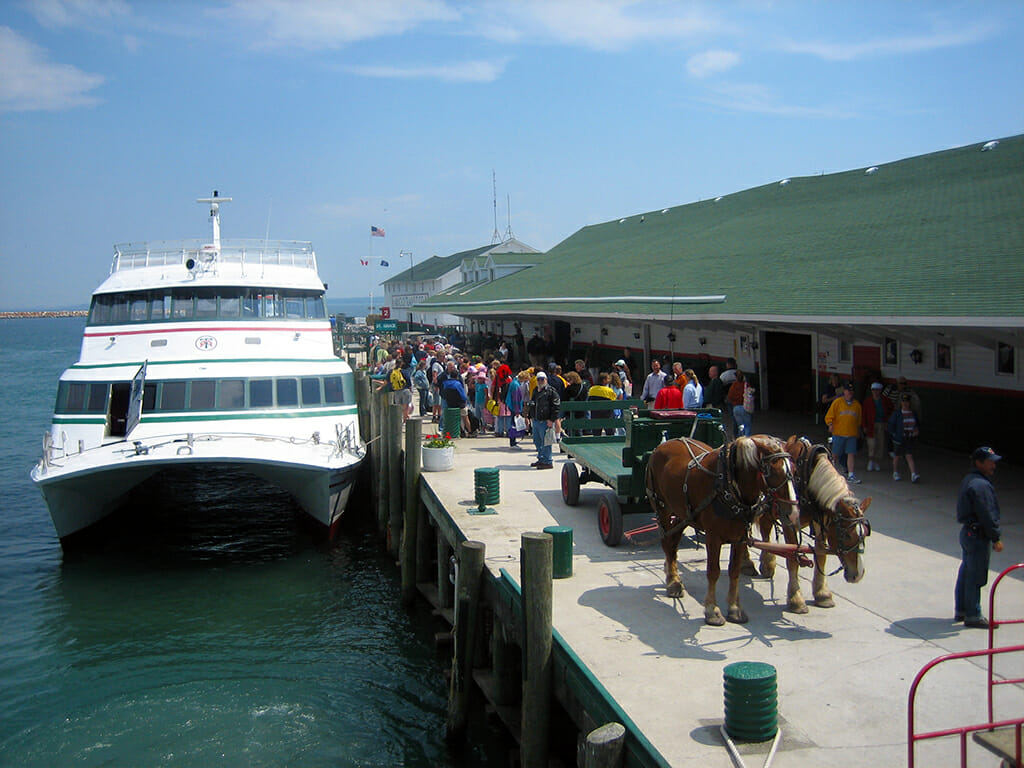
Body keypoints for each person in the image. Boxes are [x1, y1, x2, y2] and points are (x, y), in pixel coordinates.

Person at [954, 446, 1005, 628]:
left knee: (967, 571)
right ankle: (973, 615)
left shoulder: (970, 480)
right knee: (975, 576)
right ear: (979, 463)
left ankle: (962, 610)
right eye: (990, 462)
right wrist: (996, 538)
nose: (994, 466)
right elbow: (987, 514)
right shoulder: (980, 485)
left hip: (968, 533)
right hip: (977, 535)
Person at [825, 382, 863, 483]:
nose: (850, 393)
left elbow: (858, 420)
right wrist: (830, 424)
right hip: (839, 433)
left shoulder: (857, 405)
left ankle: (851, 475)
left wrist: (858, 431)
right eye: (848, 391)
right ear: (844, 391)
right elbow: (829, 416)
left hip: (851, 434)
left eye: (851, 391)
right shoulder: (837, 402)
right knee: (835, 455)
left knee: (851, 454)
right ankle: (830, 474)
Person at [530, 371, 560, 470]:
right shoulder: (535, 390)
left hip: (545, 421)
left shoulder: (551, 391)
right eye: (538, 379)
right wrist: (530, 415)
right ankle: (541, 459)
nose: (540, 381)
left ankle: (548, 461)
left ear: (546, 380)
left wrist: (551, 420)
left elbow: (556, 407)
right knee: (537, 441)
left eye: (542, 379)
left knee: (546, 442)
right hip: (536, 420)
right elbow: (533, 403)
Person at [889, 393, 921, 482]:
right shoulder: (897, 413)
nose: (905, 403)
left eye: (907, 402)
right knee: (897, 456)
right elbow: (891, 424)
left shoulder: (913, 413)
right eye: (903, 401)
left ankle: (913, 474)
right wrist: (894, 434)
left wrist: (916, 431)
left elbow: (916, 424)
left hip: (909, 437)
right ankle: (895, 472)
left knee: (909, 455)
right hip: (899, 438)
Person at [860, 381, 891, 471]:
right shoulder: (868, 401)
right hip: (870, 425)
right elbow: (864, 414)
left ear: (880, 390)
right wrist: (864, 426)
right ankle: (871, 461)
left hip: (881, 424)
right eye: (873, 390)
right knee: (872, 444)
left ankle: (876, 461)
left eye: (877, 390)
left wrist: (887, 422)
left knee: (880, 443)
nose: (875, 392)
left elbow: (890, 410)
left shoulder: (885, 400)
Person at [727, 370, 752, 437]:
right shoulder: (746, 385)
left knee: (740, 426)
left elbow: (730, 397)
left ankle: (741, 439)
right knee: (747, 426)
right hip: (745, 407)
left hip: (736, 407)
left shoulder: (734, 385)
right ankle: (747, 438)